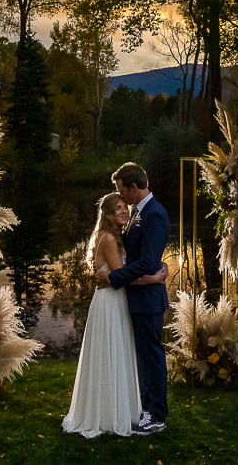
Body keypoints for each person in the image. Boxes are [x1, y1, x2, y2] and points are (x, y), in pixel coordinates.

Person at [62, 191, 167, 437]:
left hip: (117, 299)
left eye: (124, 207)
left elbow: (121, 273)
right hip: (110, 302)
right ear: (108, 215)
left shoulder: (116, 236)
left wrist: (157, 265)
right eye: (117, 208)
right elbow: (123, 276)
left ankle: (118, 409)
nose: (123, 211)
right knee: (111, 353)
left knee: (117, 352)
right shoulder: (108, 238)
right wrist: (153, 278)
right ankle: (107, 414)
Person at [96, 162, 170, 435]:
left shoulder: (154, 215)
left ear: (134, 187)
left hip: (148, 299)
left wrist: (113, 278)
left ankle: (157, 416)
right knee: (143, 357)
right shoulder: (140, 213)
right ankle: (146, 408)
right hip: (137, 296)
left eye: (122, 191)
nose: (121, 197)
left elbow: (147, 262)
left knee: (151, 358)